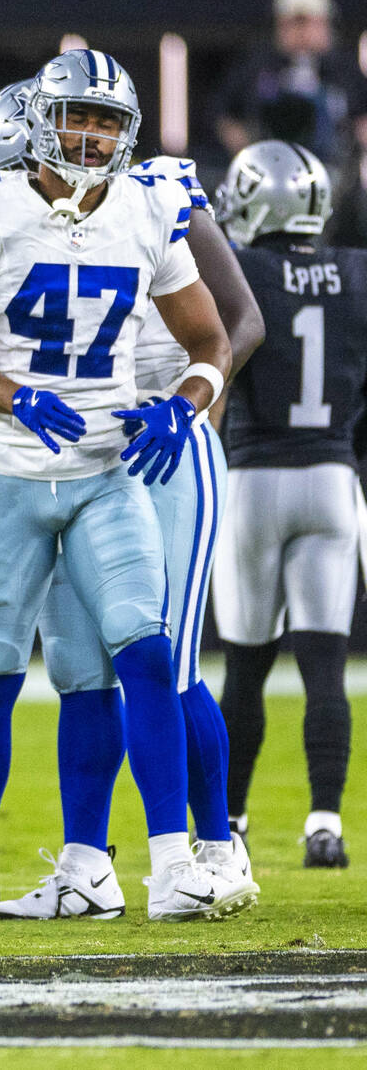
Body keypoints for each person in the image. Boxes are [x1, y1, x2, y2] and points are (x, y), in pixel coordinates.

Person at [0, 48, 250, 926]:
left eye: (108, 121)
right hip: (10, 474)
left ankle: (176, 865)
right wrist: (17, 394)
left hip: (110, 473)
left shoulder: (147, 208)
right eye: (78, 118)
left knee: (147, 655)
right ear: (40, 121)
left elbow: (212, 336)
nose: (93, 136)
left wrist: (186, 404)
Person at [211, 140, 364, 869]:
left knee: (244, 668)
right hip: (332, 478)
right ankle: (324, 823)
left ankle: (229, 824)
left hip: (255, 479)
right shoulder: (359, 273)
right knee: (326, 667)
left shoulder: (238, 267)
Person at [214, 0, 367, 183]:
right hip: (269, 172)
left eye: (310, 23)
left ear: (326, 25)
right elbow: (223, 115)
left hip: (335, 174)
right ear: (279, 25)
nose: (302, 33)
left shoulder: (345, 70)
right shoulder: (256, 67)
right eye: (294, 24)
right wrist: (248, 155)